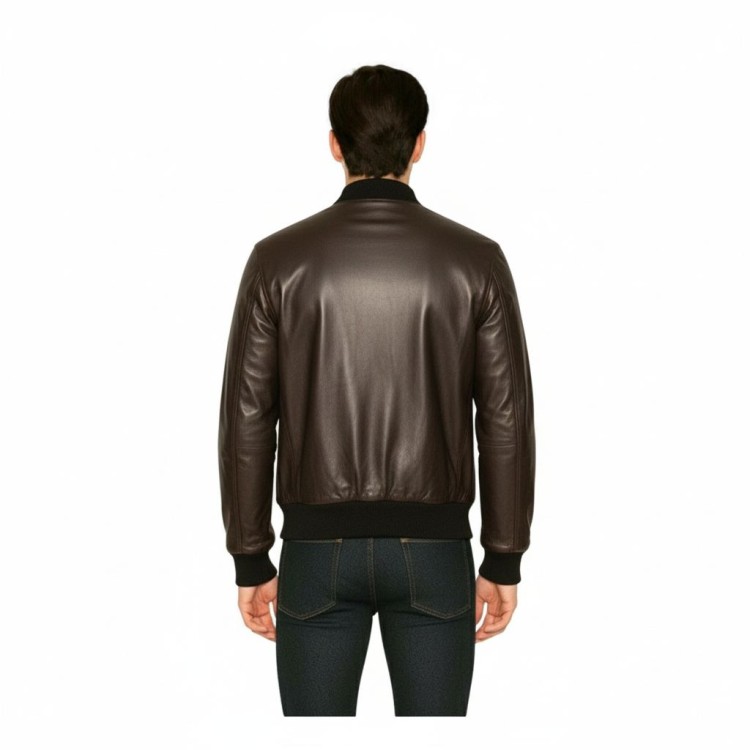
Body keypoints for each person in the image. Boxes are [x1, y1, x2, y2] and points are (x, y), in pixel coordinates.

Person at [217, 64, 536, 716]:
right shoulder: (476, 260)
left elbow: (248, 417)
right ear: (419, 144)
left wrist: (251, 556)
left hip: (314, 553)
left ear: (335, 144)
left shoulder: (277, 261)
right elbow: (504, 418)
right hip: (436, 552)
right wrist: (503, 555)